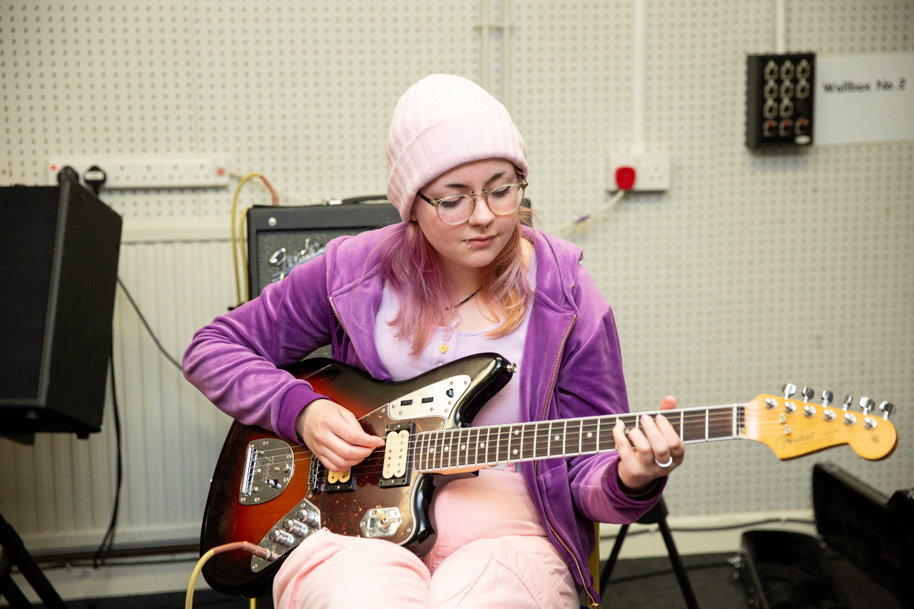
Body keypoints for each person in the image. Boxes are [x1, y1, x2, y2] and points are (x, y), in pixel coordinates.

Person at [183, 74, 684, 609]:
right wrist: (300, 411)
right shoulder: (354, 273)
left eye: (501, 189)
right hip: (352, 531)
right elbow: (212, 348)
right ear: (412, 204)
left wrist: (631, 478)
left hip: (509, 535)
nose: (485, 216)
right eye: (452, 199)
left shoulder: (566, 296)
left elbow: (586, 475)